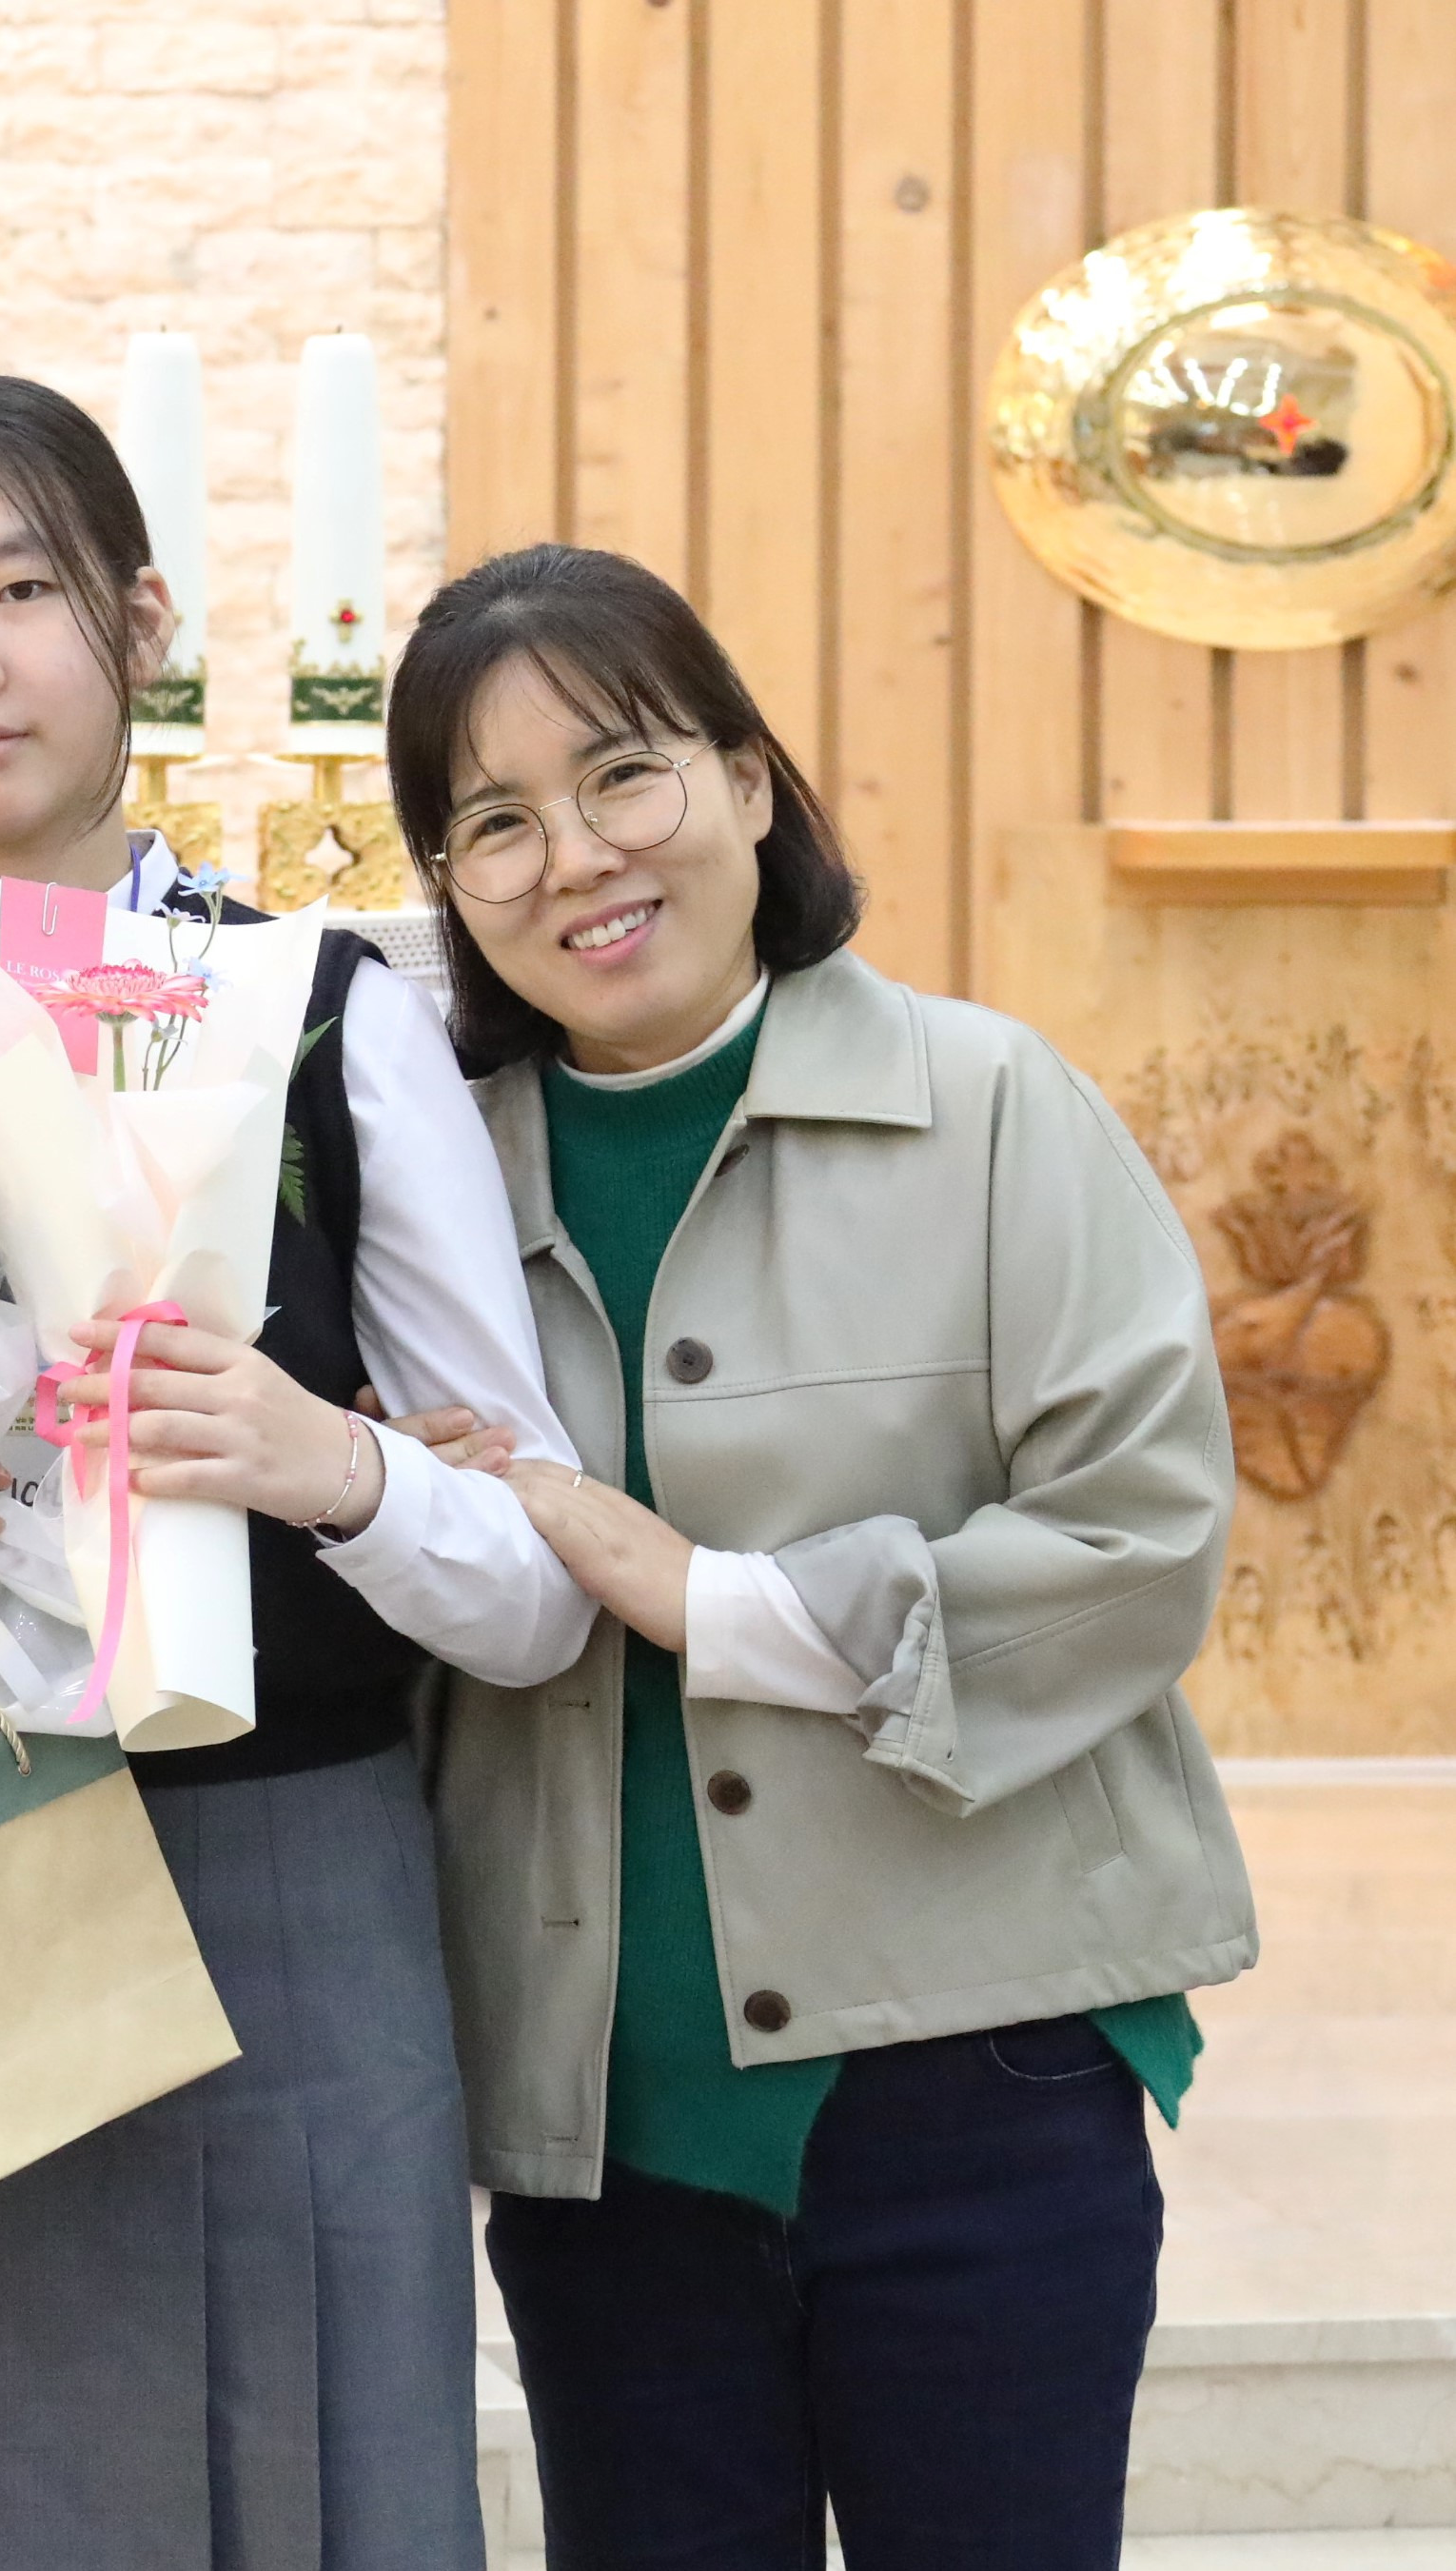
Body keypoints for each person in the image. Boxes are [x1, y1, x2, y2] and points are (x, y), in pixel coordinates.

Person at [0, 374, 600, 2571]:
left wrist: (334, 1467)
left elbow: (536, 1578)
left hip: (290, 1889)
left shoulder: (331, 1019)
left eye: (20, 590)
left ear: (142, 622)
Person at [382, 541, 1253, 2571]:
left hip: (981, 2080)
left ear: (750, 782)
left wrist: (713, 1599)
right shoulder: (426, 1183)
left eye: (624, 773)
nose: (575, 858)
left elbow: (1139, 1532)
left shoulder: (991, 1105)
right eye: (494, 821)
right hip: (607, 2129)